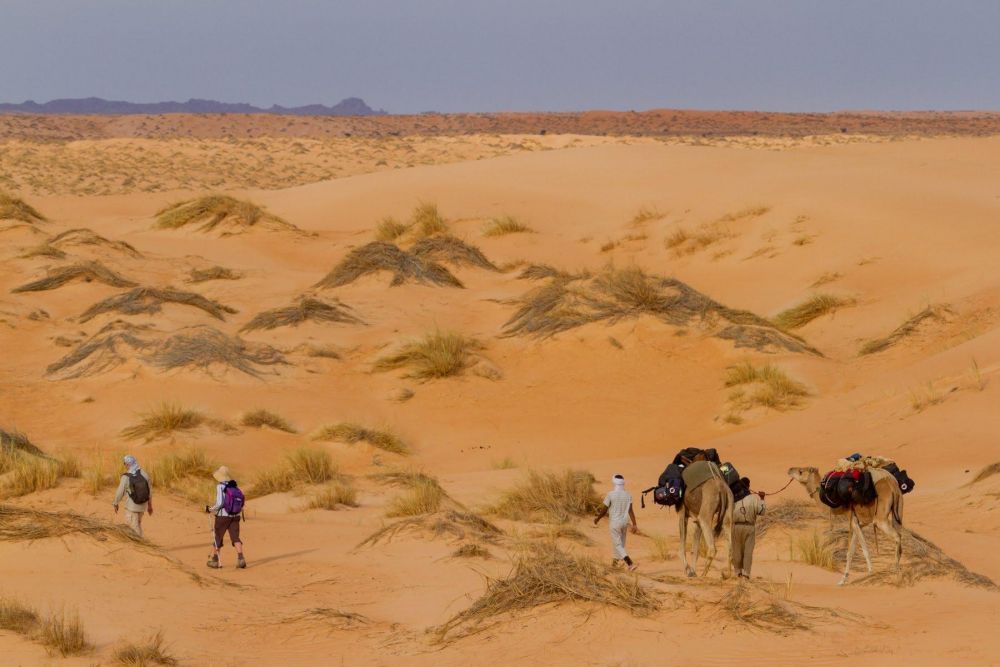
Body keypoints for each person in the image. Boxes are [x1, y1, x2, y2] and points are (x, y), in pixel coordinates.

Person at [593, 474, 639, 571]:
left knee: (617, 545)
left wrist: (598, 519)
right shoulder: (628, 495)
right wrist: (634, 524)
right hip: (624, 523)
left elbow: (604, 510)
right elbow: (631, 510)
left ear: (614, 482)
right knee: (619, 545)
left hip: (614, 523)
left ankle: (630, 563)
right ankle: (614, 566)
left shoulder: (611, 494)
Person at [205, 466, 246, 569]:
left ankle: (215, 560)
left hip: (222, 516)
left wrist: (210, 509)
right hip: (235, 515)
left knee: (217, 537)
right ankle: (241, 559)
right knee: (235, 537)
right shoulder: (234, 486)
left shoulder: (220, 486)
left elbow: (220, 503)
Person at [732, 477, 765, 578]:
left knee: (736, 550)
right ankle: (746, 574)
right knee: (748, 552)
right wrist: (762, 499)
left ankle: (737, 573)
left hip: (736, 527)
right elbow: (762, 512)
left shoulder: (733, 498)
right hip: (749, 527)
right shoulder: (753, 499)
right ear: (749, 486)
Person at [112, 455, 153, 537]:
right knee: (137, 525)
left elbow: (120, 492)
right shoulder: (144, 474)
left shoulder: (126, 477)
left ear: (127, 464)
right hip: (142, 507)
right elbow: (150, 492)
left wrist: (115, 503)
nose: (125, 465)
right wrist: (149, 506)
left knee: (134, 531)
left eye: (125, 463)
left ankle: (142, 547)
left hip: (131, 508)